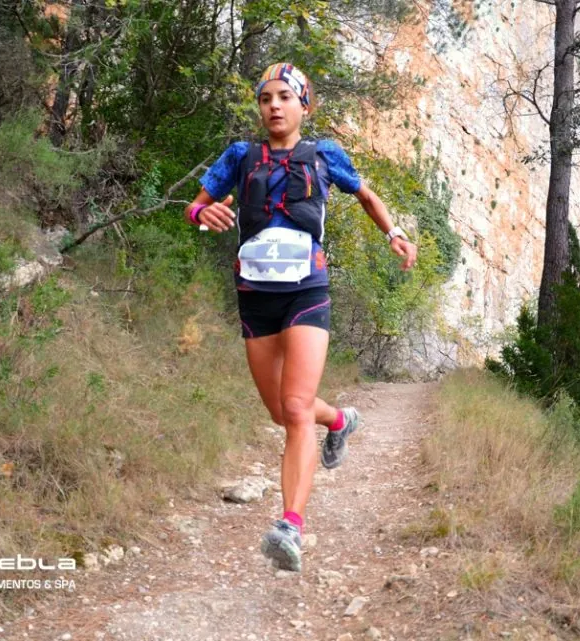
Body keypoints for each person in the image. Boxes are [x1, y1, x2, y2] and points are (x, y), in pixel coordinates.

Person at [184, 62, 418, 572]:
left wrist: (394, 233)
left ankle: (290, 525)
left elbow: (365, 195)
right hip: (255, 295)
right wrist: (203, 213)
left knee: (294, 409)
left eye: (285, 97)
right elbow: (194, 207)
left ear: (304, 106)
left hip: (307, 292)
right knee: (281, 411)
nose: (274, 105)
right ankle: (339, 419)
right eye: (266, 98)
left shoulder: (324, 154)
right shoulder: (239, 156)